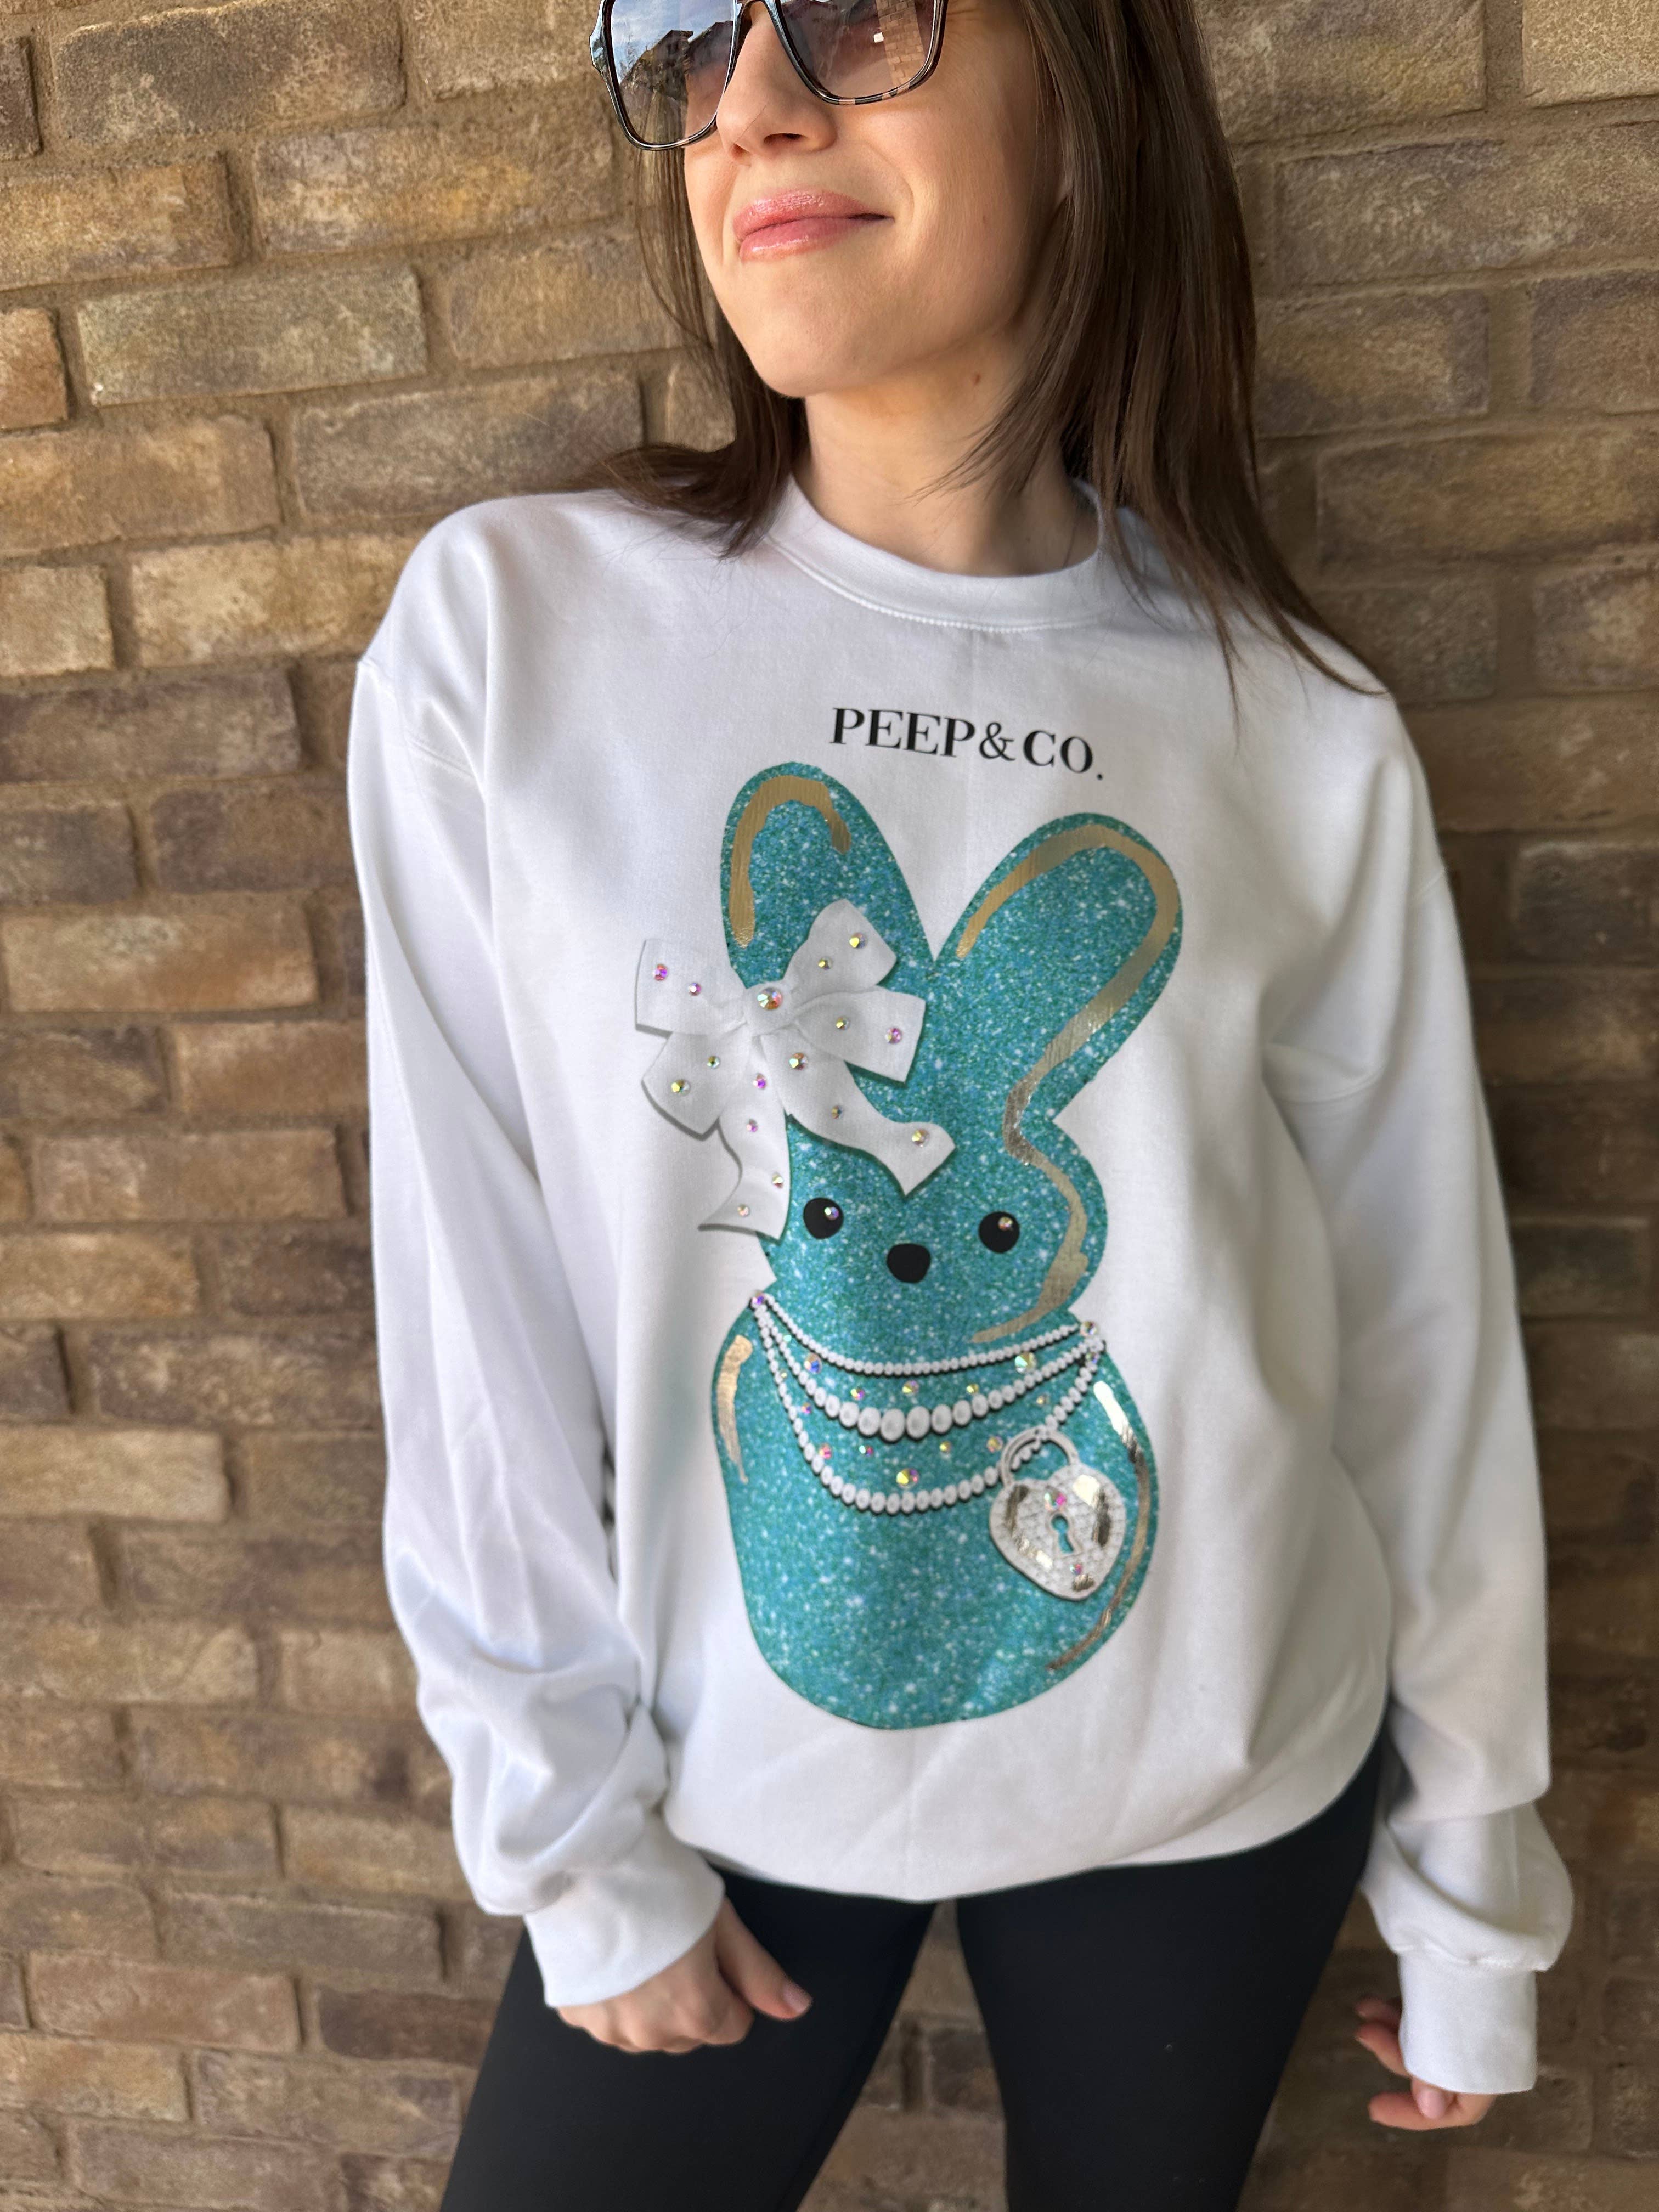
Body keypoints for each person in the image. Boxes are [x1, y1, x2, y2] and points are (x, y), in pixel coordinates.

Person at [344, 0, 1576, 2204]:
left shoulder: (1297, 725)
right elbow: (470, 1291)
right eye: (690, 41)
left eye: (858, 13)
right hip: (719, 1761)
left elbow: (1420, 1338)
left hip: (1216, 1767)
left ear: (1087, 105)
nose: (752, 106)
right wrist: (562, 1829)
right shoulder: (518, 633)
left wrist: (1475, 1877)